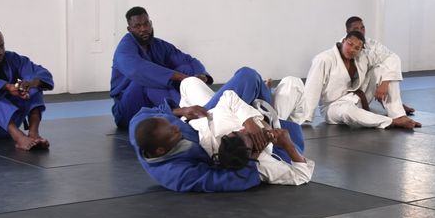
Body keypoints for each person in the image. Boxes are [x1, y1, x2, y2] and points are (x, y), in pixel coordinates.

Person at [129, 67, 312, 192]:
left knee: (189, 82)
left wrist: (183, 111)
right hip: (265, 125)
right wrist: (255, 157)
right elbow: (226, 180)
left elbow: (228, 98)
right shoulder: (177, 174)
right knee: (292, 83)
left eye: (171, 123)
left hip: (206, 118)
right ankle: (270, 102)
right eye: (172, 132)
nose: (177, 127)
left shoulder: (141, 126)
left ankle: (264, 98)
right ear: (161, 150)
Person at [110, 6, 213, 129]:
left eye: (146, 24)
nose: (143, 29)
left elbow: (188, 60)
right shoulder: (124, 49)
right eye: (137, 26)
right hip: (128, 109)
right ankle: (184, 112)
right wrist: (182, 78)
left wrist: (200, 75)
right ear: (129, 29)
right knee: (147, 81)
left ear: (151, 23)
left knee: (186, 68)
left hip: (154, 104)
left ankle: (202, 107)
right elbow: (139, 70)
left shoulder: (159, 45)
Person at [300, 31, 420, 130]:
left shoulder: (362, 57)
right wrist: (306, 116)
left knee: (383, 71)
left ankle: (398, 114)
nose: (352, 49)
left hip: (359, 98)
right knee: (348, 111)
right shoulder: (324, 59)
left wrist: (384, 83)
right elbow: (312, 87)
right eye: (349, 44)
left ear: (361, 50)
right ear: (343, 41)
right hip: (334, 107)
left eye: (357, 48)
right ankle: (392, 121)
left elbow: (392, 58)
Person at [344, 16, 415, 117]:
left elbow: (392, 57)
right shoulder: (344, 48)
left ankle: (397, 110)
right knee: (379, 69)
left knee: (384, 68)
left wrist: (384, 84)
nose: (360, 31)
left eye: (362, 28)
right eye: (356, 29)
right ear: (347, 31)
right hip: (352, 95)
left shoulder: (371, 43)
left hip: (369, 87)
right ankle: (395, 107)